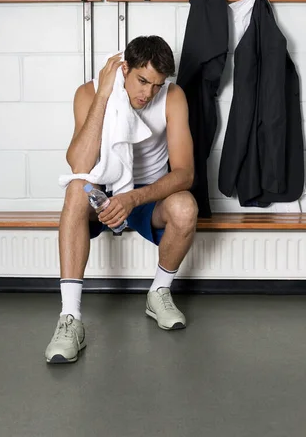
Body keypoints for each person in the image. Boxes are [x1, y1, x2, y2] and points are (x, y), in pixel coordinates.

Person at [45, 36, 197, 364]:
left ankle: (159, 292)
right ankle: (69, 318)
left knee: (186, 205)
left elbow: (184, 173)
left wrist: (132, 198)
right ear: (124, 69)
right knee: (75, 187)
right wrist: (103, 94)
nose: (148, 93)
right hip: (101, 191)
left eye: (157, 85)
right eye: (142, 81)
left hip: (145, 195)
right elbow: (79, 165)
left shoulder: (172, 97)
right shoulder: (88, 92)